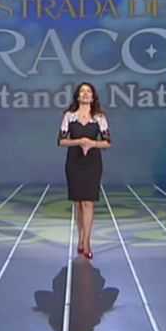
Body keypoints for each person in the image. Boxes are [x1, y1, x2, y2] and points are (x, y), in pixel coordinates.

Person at [58, 83, 111, 259]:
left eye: (89, 91)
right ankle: (80, 237)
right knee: (78, 203)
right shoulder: (69, 116)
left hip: (92, 163)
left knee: (88, 201)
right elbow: (61, 141)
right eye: (82, 91)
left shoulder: (99, 117)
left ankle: (87, 241)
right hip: (74, 161)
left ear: (93, 96)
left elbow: (107, 142)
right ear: (77, 96)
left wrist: (92, 143)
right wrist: (79, 142)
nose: (86, 94)